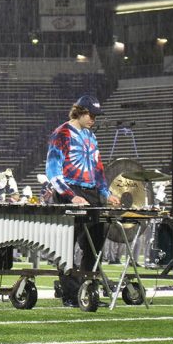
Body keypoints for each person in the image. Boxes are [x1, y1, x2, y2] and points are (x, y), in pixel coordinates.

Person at [46, 95, 119, 307]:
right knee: (66, 243)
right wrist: (71, 196)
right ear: (79, 111)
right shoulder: (61, 134)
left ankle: (88, 290)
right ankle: (69, 294)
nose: (93, 120)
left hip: (92, 193)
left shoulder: (91, 136)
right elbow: (52, 172)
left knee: (96, 242)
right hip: (70, 191)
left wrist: (106, 193)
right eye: (91, 115)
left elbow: (98, 169)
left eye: (95, 116)